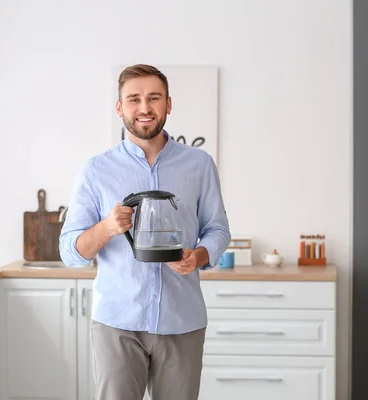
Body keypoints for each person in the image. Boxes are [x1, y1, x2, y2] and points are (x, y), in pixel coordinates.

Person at [59, 64, 231, 400]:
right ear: (119, 108)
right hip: (117, 321)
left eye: (154, 98)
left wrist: (198, 257)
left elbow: (218, 229)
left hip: (182, 319)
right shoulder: (96, 170)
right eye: (134, 99)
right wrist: (108, 228)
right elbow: (70, 251)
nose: (144, 107)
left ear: (168, 104)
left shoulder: (199, 164)